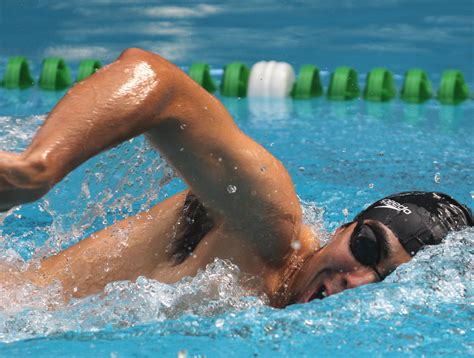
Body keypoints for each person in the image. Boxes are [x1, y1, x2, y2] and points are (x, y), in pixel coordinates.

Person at [0, 48, 472, 308]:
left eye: (385, 281)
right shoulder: (268, 227)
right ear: (344, 227)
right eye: (368, 248)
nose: (360, 281)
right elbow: (157, 81)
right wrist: (39, 168)